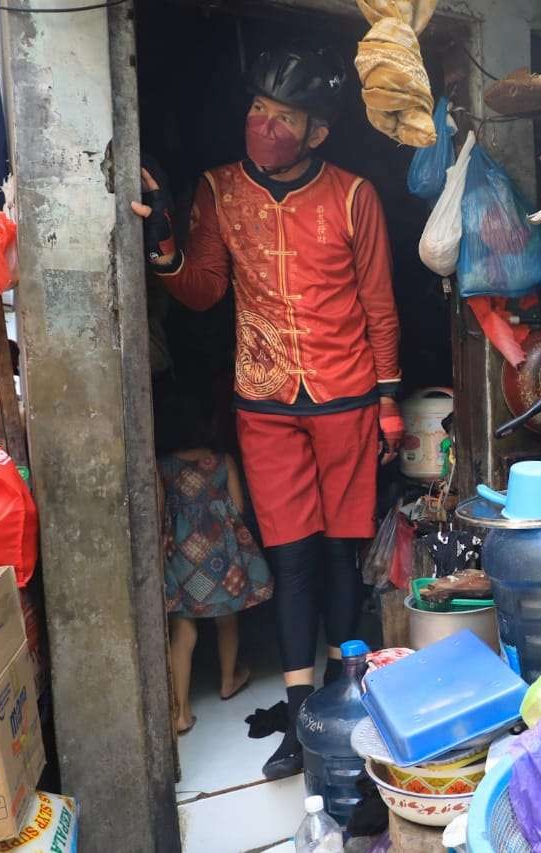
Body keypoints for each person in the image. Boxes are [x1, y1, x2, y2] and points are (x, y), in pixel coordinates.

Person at [132, 46, 403, 779]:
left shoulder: (354, 196)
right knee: (291, 557)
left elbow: (379, 304)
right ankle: (300, 716)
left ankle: (347, 702)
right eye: (259, 109)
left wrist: (387, 400)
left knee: (342, 551)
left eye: (286, 117)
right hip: (265, 402)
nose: (267, 125)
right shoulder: (219, 191)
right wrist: (162, 251)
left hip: (348, 396)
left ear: (318, 133)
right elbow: (203, 290)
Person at [156, 390, 273, 735]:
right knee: (227, 618)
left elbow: (158, 512)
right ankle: (228, 680)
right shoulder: (222, 462)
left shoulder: (161, 467)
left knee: (184, 627)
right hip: (220, 554)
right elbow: (239, 508)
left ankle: (181, 712)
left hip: (179, 554)